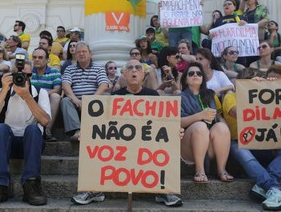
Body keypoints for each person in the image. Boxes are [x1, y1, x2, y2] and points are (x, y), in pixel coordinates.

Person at [71, 60, 183, 207]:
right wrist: (89, 134)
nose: (134, 70)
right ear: (123, 74)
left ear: (143, 74)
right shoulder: (115, 97)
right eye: (130, 68)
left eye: (138, 68)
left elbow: (162, 124)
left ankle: (164, 189)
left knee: (163, 147)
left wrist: (175, 131)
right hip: (120, 145)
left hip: (147, 144)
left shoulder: (154, 95)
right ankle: (93, 188)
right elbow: (104, 126)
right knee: (95, 147)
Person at [0, 60, 51, 207]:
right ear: (11, 76)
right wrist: (5, 89)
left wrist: (27, 96)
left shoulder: (41, 92)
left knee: (33, 129)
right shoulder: (3, 92)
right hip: (7, 143)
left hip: (31, 143)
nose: (22, 78)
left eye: (26, 75)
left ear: (31, 76)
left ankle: (31, 184)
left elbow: (45, 121)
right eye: (18, 75)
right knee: (0, 128)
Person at [223, 67, 281, 211]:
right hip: (242, 146)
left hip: (268, 146)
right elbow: (240, 114)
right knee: (238, 148)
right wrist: (253, 92)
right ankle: (272, 187)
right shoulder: (231, 97)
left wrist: (273, 90)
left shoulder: (272, 96)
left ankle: (262, 185)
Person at [180, 62, 233, 183]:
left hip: (210, 144)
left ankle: (222, 170)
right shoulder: (180, 97)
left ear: (203, 78)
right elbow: (178, 122)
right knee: (200, 126)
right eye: (191, 73)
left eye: (199, 73)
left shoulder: (210, 95)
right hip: (189, 144)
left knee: (222, 127)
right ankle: (200, 170)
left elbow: (218, 116)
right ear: (186, 79)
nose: (195, 75)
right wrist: (200, 116)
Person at [61, 41, 108, 141]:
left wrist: (91, 99)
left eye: (84, 51)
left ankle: (94, 130)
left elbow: (104, 84)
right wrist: (74, 99)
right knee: (65, 101)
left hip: (94, 100)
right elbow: (65, 85)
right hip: (76, 101)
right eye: (78, 52)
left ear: (90, 54)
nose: (81, 54)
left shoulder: (99, 68)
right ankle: (77, 130)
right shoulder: (69, 69)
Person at [31, 47, 62, 142]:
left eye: (40, 57)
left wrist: (42, 95)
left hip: (47, 100)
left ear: (47, 60)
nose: (37, 59)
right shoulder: (27, 72)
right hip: (30, 100)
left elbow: (57, 90)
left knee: (56, 97)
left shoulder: (54, 72)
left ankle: (47, 129)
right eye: (34, 57)